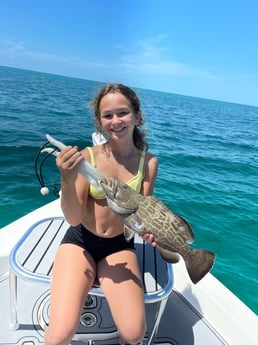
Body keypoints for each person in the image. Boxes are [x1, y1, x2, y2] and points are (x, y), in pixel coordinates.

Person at [44, 83, 158, 345]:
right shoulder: (88, 158)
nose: (115, 121)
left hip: (120, 246)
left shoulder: (149, 163)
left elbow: (143, 212)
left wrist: (150, 230)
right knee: (60, 333)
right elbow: (73, 218)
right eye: (107, 115)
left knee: (133, 334)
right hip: (81, 242)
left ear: (137, 116)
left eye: (123, 113)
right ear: (99, 121)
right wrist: (66, 177)